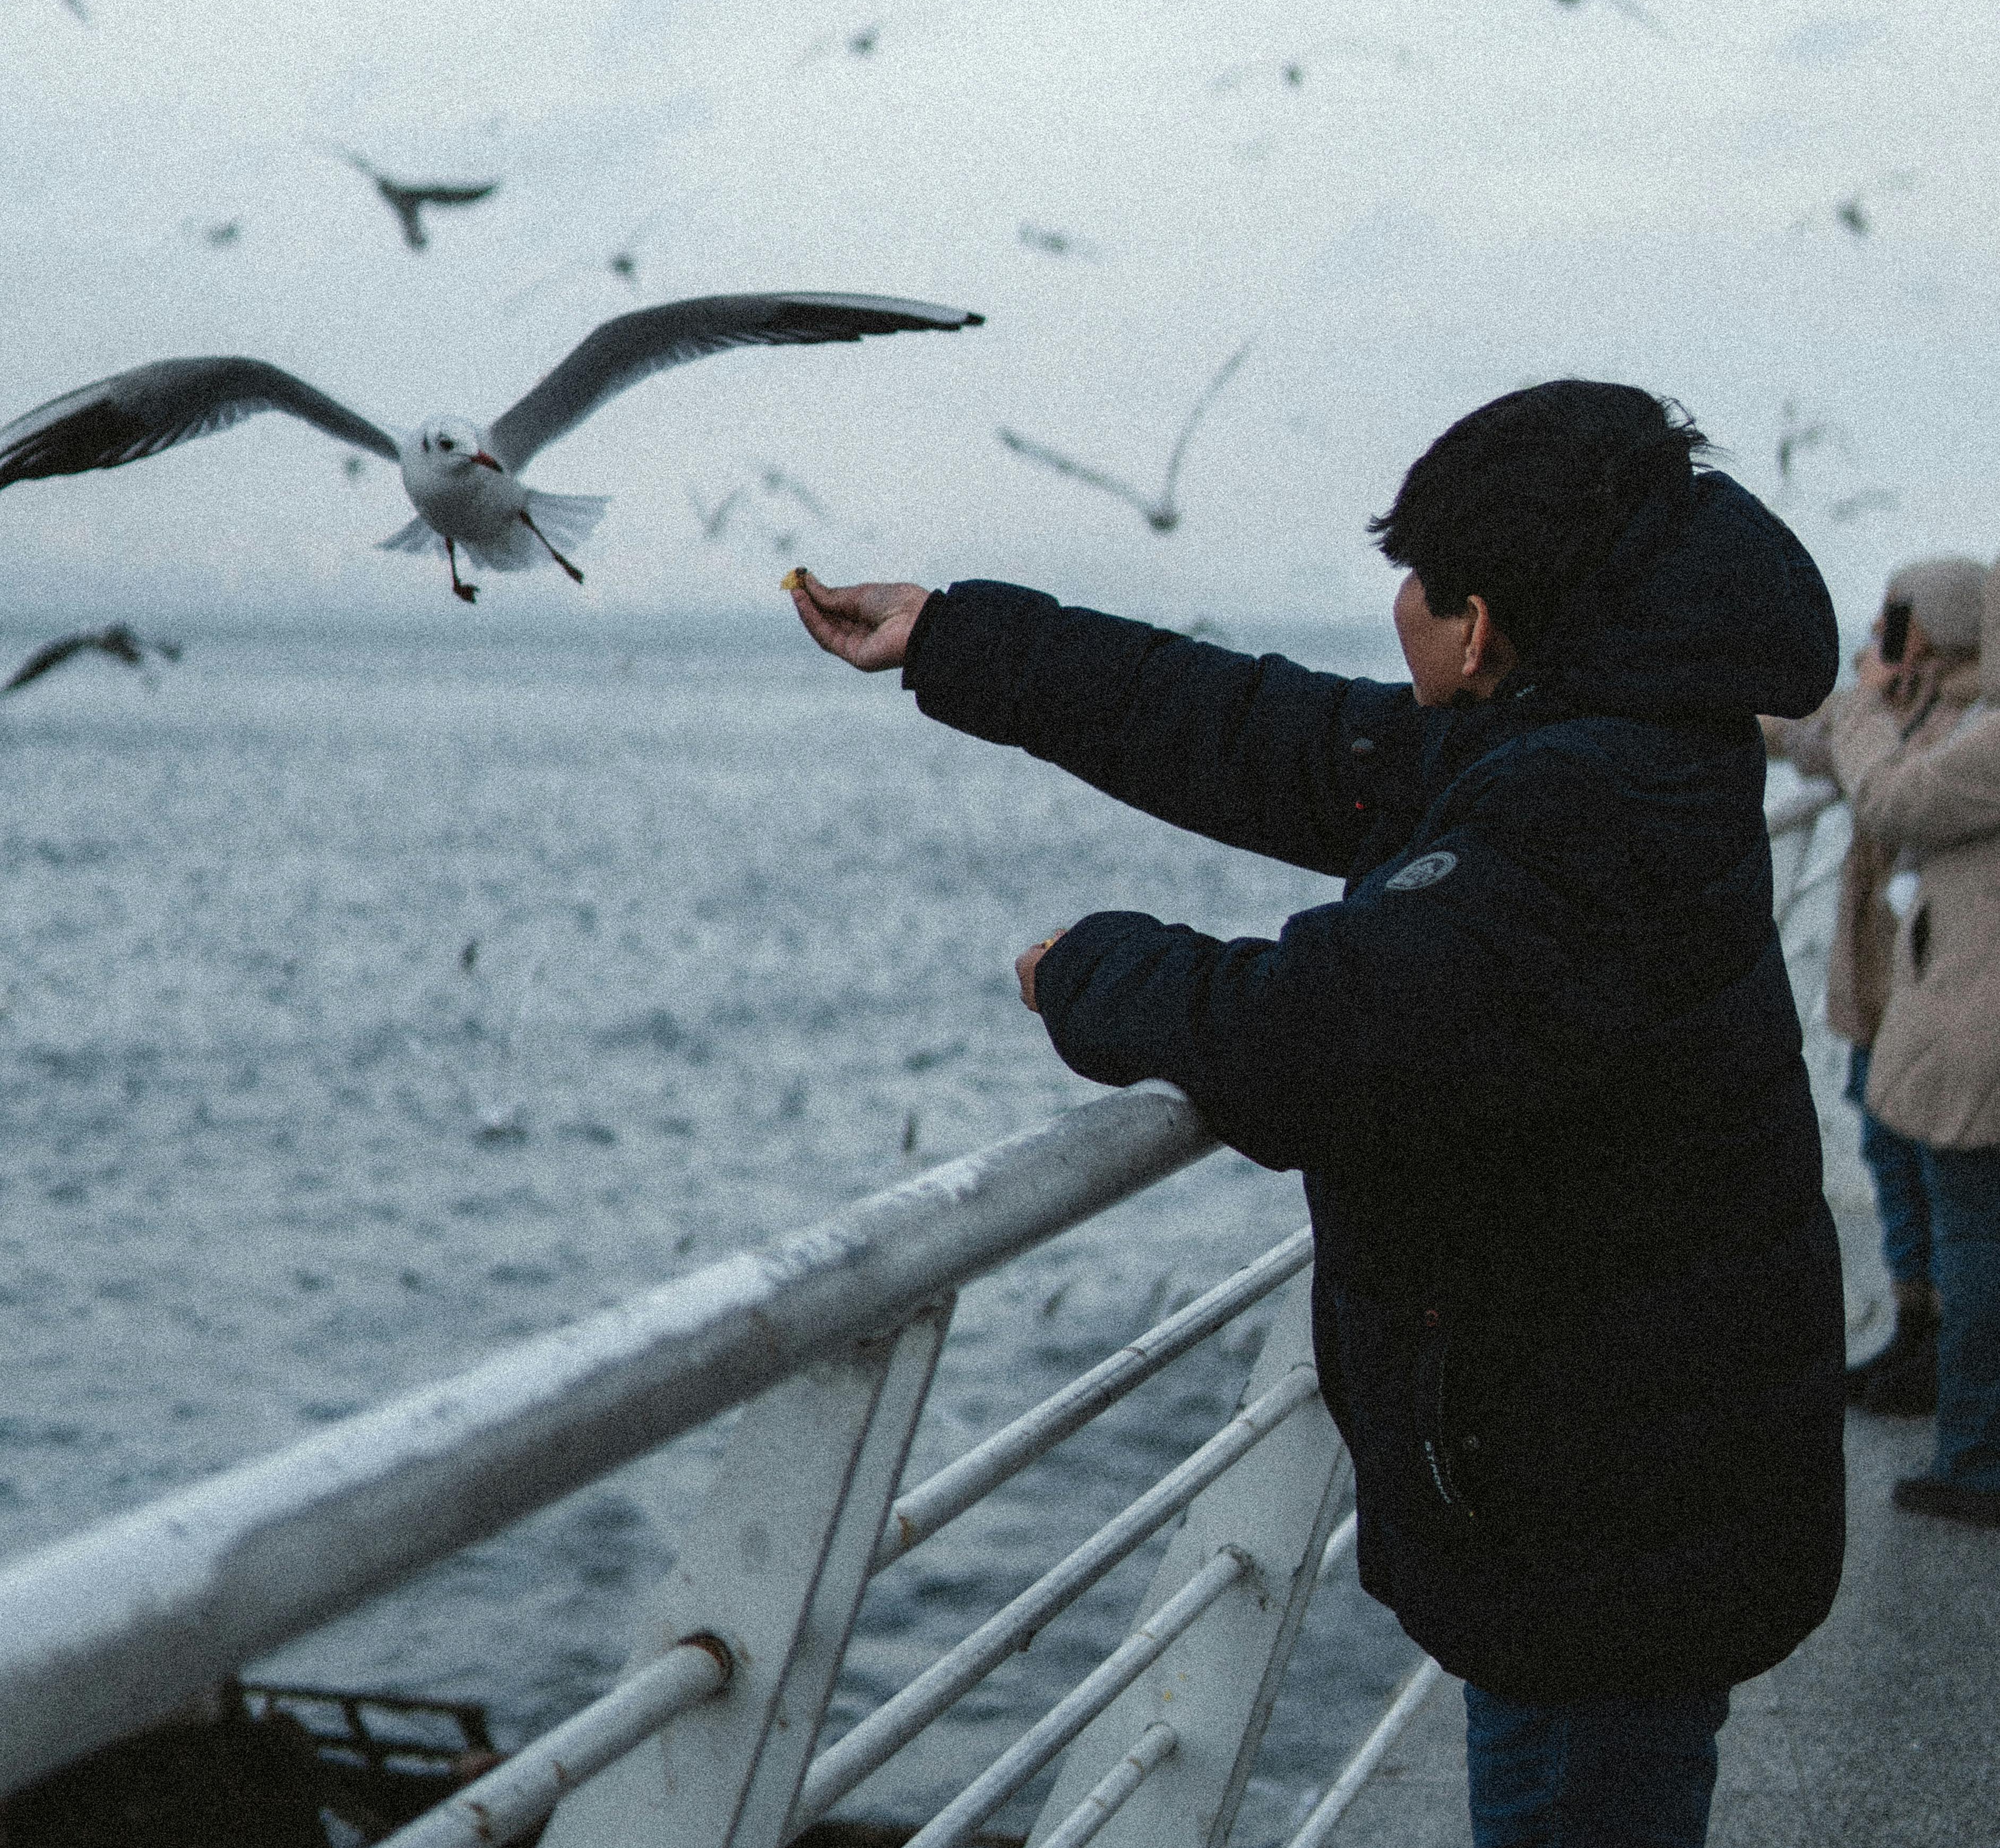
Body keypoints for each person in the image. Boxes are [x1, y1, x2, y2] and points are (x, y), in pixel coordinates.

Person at [789, 378, 1847, 1848]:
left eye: (1415, 583)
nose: (1399, 609)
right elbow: (1264, 733)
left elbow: (1313, 1034)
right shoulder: (1615, 742)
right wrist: (959, 638)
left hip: (1603, 1509)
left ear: (1476, 626)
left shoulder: (1580, 811)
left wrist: (1087, 969)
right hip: (1636, 1467)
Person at [1762, 555, 1986, 1416]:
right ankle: (1917, 1329)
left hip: (1930, 988)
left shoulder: (1966, 720)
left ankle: (1943, 1352)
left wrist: (1864, 704)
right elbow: (1818, 739)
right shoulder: (1907, 704)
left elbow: (1889, 787)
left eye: (1900, 615)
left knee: (1935, 1178)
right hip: (1884, 984)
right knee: (1896, 1166)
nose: (1883, 632)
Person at [1827, 558, 2000, 1529]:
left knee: (1976, 1243)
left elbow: (1894, 802)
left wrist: (1860, 706)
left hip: (1980, 1031)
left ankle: (1976, 1461)